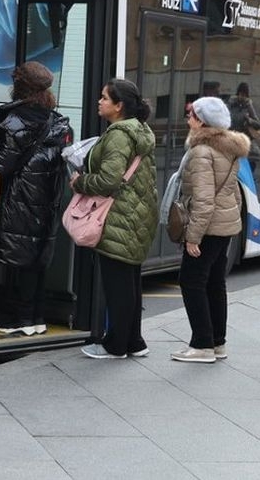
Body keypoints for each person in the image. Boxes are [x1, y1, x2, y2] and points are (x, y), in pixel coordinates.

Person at [0, 61, 72, 335]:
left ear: (18, 86)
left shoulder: (13, 121)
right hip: (47, 200)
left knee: (17, 261)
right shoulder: (57, 121)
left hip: (19, 198)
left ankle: (18, 319)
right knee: (37, 260)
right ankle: (36, 317)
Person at [69, 78, 158, 358]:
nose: (99, 101)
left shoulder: (119, 134)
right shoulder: (139, 130)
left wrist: (80, 182)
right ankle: (134, 342)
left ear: (119, 106)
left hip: (119, 214)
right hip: (136, 213)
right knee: (129, 280)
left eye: (105, 98)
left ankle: (116, 345)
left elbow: (109, 180)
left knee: (118, 282)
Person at [170, 96, 250, 363]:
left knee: (191, 281)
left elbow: (204, 200)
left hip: (208, 228)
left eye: (191, 115)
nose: (188, 119)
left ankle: (202, 344)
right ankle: (217, 343)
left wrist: (193, 236)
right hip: (224, 225)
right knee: (215, 283)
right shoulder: (228, 148)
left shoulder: (202, 151)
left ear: (201, 121)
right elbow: (233, 193)